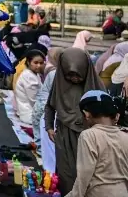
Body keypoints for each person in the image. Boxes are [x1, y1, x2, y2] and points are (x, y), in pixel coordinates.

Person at [44, 47, 106, 195]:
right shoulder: (60, 83)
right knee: (67, 175)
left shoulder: (95, 86)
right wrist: (49, 127)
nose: (74, 79)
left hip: (91, 136)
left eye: (78, 74)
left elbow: (107, 113)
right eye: (69, 74)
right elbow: (50, 106)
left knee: (89, 174)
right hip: (64, 136)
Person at [66, 90, 128, 197]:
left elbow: (84, 175)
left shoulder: (88, 135)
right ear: (115, 115)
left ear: (86, 114)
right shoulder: (125, 135)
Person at [33, 47, 62, 164]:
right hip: (49, 108)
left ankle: (41, 150)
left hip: (43, 107)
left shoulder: (53, 72)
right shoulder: (55, 73)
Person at [15, 49, 45, 126]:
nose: (39, 65)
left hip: (29, 110)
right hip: (29, 114)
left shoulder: (34, 73)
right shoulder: (29, 76)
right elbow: (34, 100)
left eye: (41, 63)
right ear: (28, 62)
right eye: (35, 63)